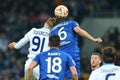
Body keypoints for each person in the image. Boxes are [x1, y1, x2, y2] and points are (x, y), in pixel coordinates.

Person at [50, 15, 102, 79]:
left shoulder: (52, 30)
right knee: (74, 75)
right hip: (72, 53)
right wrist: (93, 39)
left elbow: (51, 44)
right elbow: (78, 30)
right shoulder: (71, 23)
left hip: (59, 55)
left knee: (61, 76)